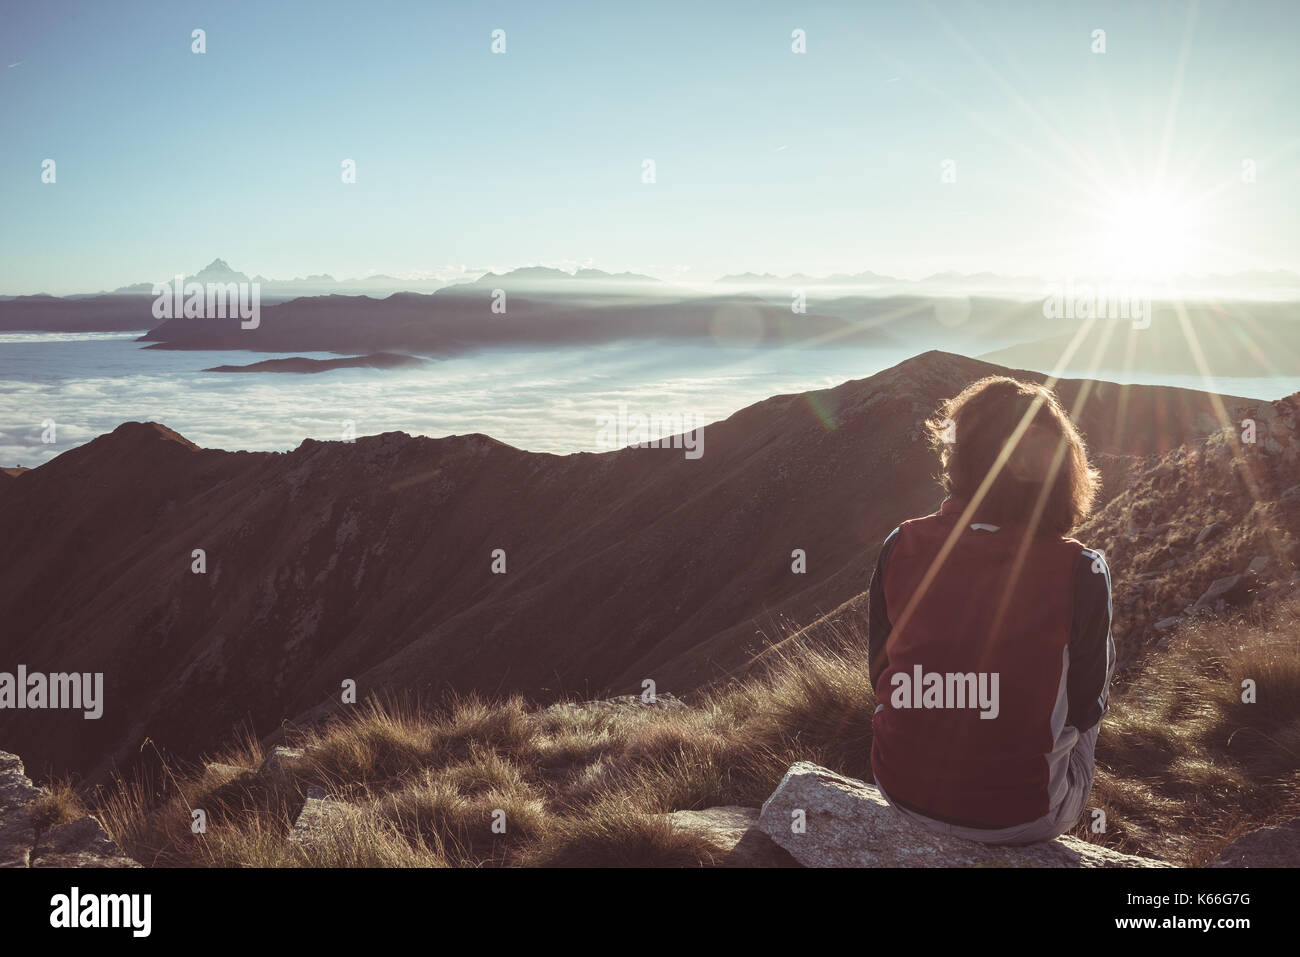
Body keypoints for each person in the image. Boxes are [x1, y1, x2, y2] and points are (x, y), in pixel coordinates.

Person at [867, 375, 1115, 844]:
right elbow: (1086, 706)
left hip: (899, 789)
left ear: (959, 459)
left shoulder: (899, 544)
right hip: (1021, 818)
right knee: (1087, 683)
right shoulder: (1082, 570)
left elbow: (878, 672)